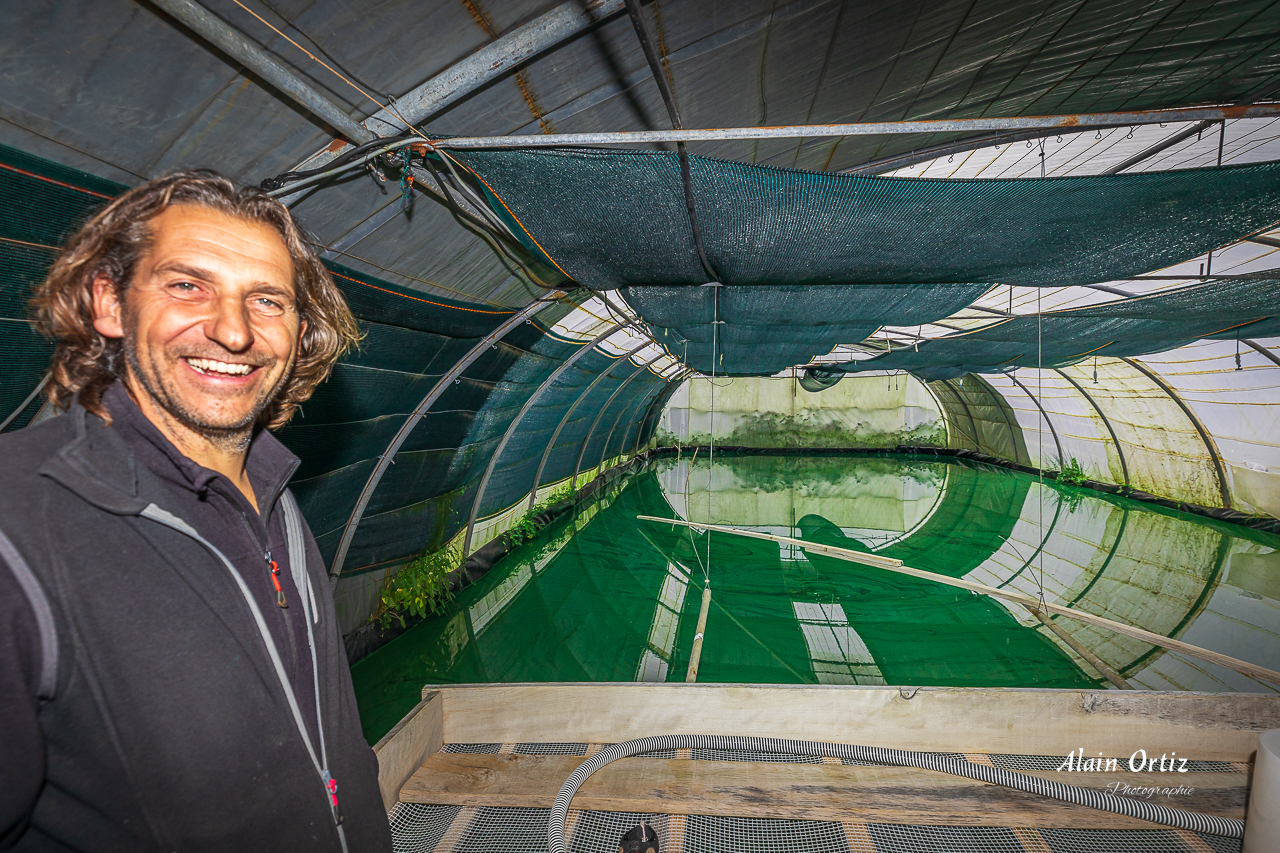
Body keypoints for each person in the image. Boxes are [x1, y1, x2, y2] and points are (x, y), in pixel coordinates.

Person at [0, 171, 393, 852]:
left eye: (266, 299)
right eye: (188, 285)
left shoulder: (274, 496)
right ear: (109, 302)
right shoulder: (18, 524)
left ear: (300, 332)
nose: (233, 330)